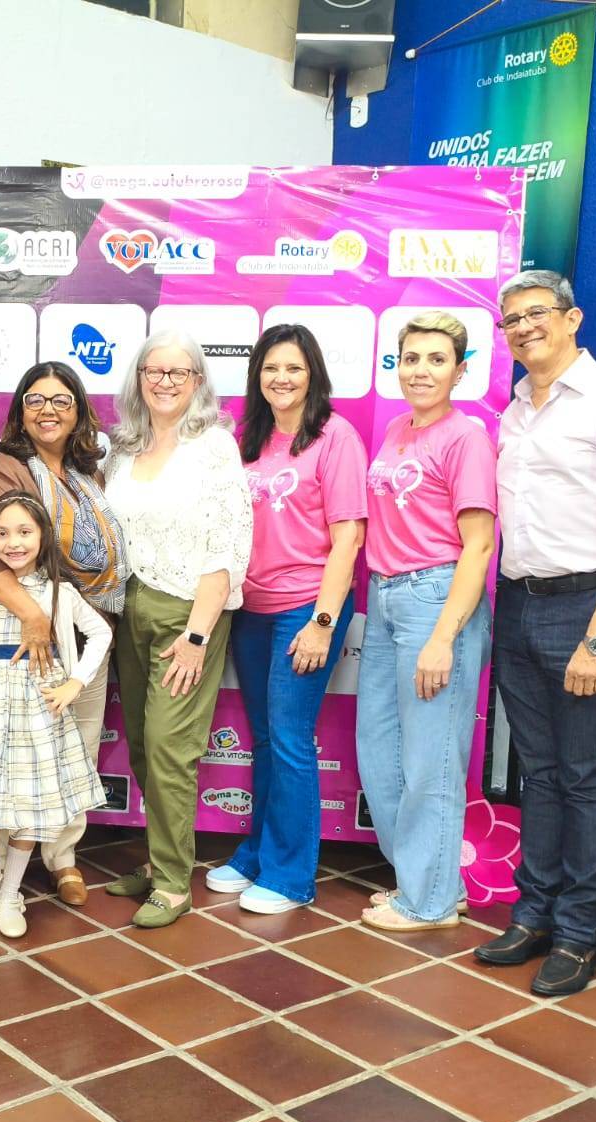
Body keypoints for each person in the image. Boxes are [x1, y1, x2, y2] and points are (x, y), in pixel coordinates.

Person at [473, 270, 596, 996]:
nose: (524, 327)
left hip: (589, 606)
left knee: (584, 776)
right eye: (511, 319)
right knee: (540, 771)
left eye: (537, 313)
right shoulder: (515, 409)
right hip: (519, 604)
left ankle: (581, 934)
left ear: (572, 318)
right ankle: (534, 915)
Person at [206, 324, 366, 914]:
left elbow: (348, 538)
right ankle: (257, 853)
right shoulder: (248, 439)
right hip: (251, 608)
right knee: (266, 738)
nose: (282, 378)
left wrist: (322, 622)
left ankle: (291, 876)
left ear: (312, 374)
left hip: (307, 605)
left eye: (294, 367)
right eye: (271, 367)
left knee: (292, 738)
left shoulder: (335, 436)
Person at [0, 362, 126, 907]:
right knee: (13, 756)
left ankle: (63, 856)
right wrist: (34, 616)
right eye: (35, 399)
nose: (47, 410)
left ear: (78, 411)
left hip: (85, 629)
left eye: (61, 400)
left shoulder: (87, 475)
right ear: (19, 411)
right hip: (22, 642)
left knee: (74, 748)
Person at [103, 332, 251, 928]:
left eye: (178, 372)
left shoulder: (213, 447)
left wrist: (196, 635)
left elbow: (227, 546)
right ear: (139, 378)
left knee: (170, 746)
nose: (165, 382)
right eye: (154, 371)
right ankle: (159, 857)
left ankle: (172, 883)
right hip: (128, 609)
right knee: (143, 743)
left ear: (198, 381)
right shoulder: (122, 448)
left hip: (189, 613)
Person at [356, 312, 497, 933]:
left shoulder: (465, 438)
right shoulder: (397, 430)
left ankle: (430, 903)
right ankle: (431, 881)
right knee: (380, 753)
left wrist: (444, 638)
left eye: (437, 360)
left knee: (431, 760)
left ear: (460, 371)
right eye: (411, 358)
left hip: (435, 601)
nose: (421, 370)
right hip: (385, 597)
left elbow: (479, 545)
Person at [0, 491, 110, 937]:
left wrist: (75, 682)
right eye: (2, 533)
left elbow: (100, 633)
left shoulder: (58, 592)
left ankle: (12, 890)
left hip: (40, 705)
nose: (14, 542)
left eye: (25, 531)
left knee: (32, 799)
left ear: (43, 536)